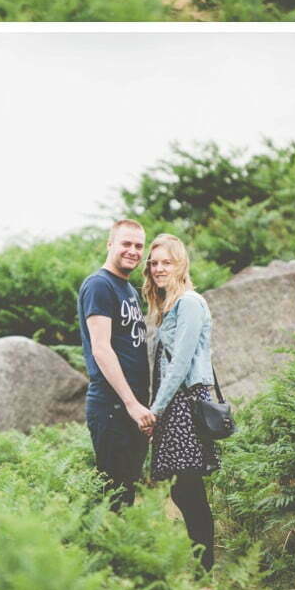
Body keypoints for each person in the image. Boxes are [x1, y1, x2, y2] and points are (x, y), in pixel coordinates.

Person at [143, 233, 219, 572]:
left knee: (189, 489)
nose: (159, 269)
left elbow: (180, 364)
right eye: (154, 263)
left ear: (180, 263)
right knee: (181, 490)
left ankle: (205, 572)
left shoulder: (189, 302)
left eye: (166, 262)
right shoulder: (168, 305)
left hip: (185, 403)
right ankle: (201, 567)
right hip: (174, 404)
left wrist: (154, 410)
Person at [77, 219, 154, 510]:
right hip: (112, 406)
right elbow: (101, 349)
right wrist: (131, 403)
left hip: (132, 408)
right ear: (110, 244)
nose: (133, 251)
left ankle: (119, 555)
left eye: (138, 246)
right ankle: (99, 553)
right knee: (111, 497)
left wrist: (141, 406)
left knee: (126, 493)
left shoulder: (130, 291)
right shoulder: (99, 285)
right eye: (126, 243)